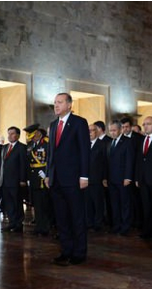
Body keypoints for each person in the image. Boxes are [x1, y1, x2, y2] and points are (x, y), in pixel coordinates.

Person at [45, 93, 90, 266]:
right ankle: (66, 250)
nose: (56, 105)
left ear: (69, 105)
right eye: (55, 102)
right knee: (61, 218)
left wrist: (84, 175)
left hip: (73, 179)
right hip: (56, 179)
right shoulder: (53, 124)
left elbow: (85, 151)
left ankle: (79, 252)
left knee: (77, 217)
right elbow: (50, 154)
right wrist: (48, 174)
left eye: (60, 102)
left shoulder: (79, 123)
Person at [104, 120, 134, 236]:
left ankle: (125, 227)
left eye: (114, 130)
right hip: (111, 180)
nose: (112, 133)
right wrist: (105, 178)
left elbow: (129, 161)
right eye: (110, 130)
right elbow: (107, 162)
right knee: (114, 204)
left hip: (123, 179)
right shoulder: (110, 143)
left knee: (125, 204)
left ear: (121, 129)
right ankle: (116, 226)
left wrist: (128, 177)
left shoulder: (128, 142)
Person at [0, 126, 27, 233]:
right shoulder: (5, 147)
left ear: (18, 135)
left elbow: (23, 165)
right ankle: (11, 222)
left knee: (17, 202)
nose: (9, 136)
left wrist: (23, 179)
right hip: (5, 180)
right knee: (8, 203)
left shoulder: (21, 147)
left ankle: (18, 224)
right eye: (8, 133)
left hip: (16, 181)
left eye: (12, 133)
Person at [25, 124, 51, 236]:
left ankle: (45, 228)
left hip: (44, 178)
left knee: (44, 204)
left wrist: (47, 174)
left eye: (33, 135)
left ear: (38, 133)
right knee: (36, 204)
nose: (32, 138)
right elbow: (29, 162)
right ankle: (39, 227)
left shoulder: (46, 143)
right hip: (34, 178)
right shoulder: (31, 145)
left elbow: (50, 160)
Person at [86, 123, 107, 232]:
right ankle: (89, 223)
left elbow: (105, 163)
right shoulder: (84, 144)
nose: (89, 133)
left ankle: (98, 223)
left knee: (98, 203)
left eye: (92, 130)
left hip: (97, 179)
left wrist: (104, 178)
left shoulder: (102, 144)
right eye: (88, 130)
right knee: (87, 203)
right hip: (85, 180)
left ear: (97, 132)